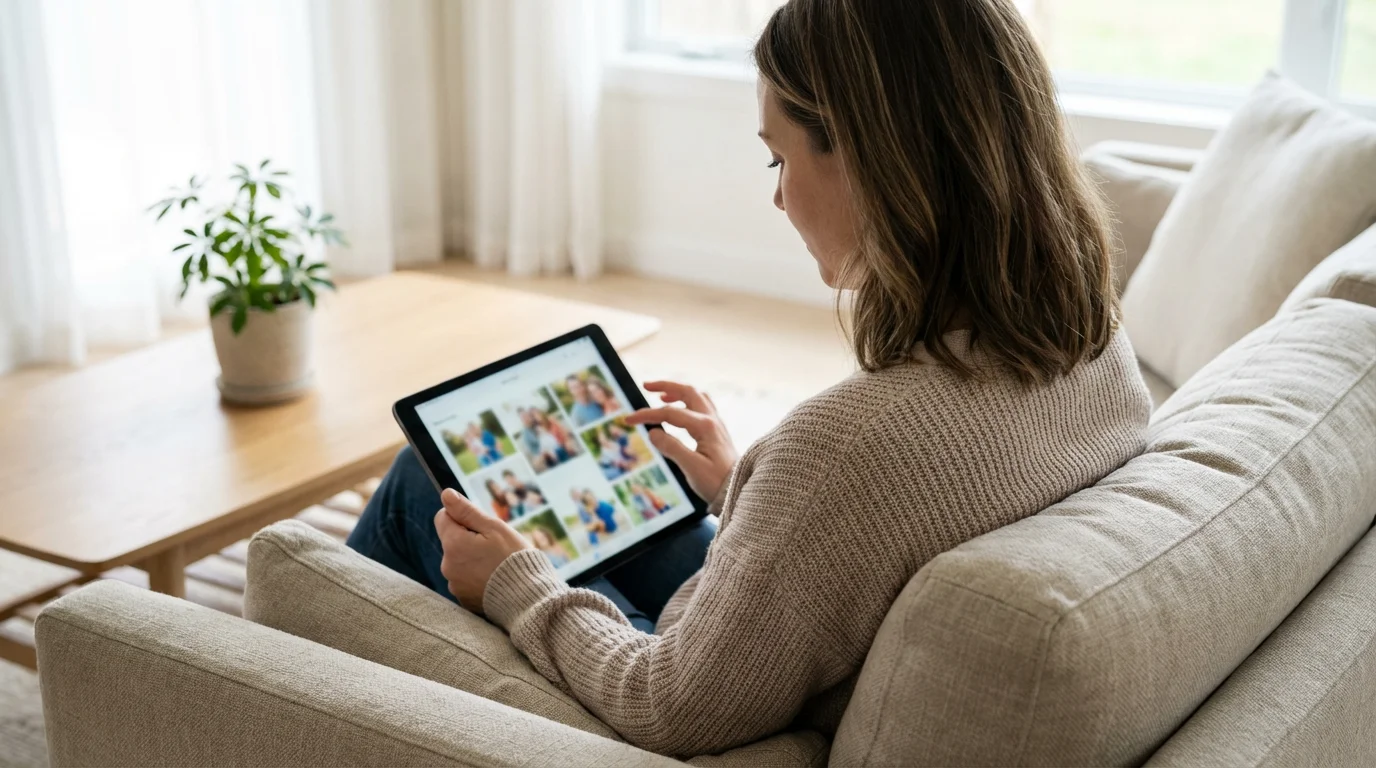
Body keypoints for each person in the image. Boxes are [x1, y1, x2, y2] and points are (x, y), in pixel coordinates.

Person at [346, 0, 1150, 757]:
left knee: (427, 483)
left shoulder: (846, 447)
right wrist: (748, 491)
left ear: (871, 158)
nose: (776, 196)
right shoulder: (1092, 342)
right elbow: (883, 527)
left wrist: (516, 585)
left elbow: (668, 706)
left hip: (682, 706)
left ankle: (297, 694)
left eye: (779, 156)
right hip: (773, 665)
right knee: (598, 518)